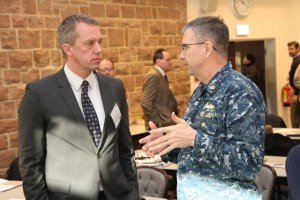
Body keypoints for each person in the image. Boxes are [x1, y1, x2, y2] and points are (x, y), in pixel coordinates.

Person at [140, 16, 265, 199]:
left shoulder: (240, 91)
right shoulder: (201, 91)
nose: (181, 55)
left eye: (185, 47)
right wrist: (167, 144)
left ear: (207, 48)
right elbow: (193, 154)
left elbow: (249, 164)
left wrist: (195, 139)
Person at [18, 14, 139, 200]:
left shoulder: (114, 87)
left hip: (116, 194)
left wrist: (132, 192)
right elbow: (30, 162)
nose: (99, 49)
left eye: (100, 42)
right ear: (68, 49)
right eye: (90, 44)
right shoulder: (39, 93)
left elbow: (124, 147)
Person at [141, 48, 178, 130]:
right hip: (160, 126)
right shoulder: (153, 76)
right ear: (158, 61)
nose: (171, 62)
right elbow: (145, 102)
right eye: (168, 60)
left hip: (165, 123)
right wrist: (158, 123)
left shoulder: (160, 75)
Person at [287, 41, 300, 128]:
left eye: (292, 49)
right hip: (295, 90)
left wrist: (296, 93)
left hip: (297, 92)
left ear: (298, 48)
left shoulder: (298, 60)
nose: (290, 51)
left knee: (295, 118)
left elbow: (298, 79)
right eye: (288, 49)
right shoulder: (295, 60)